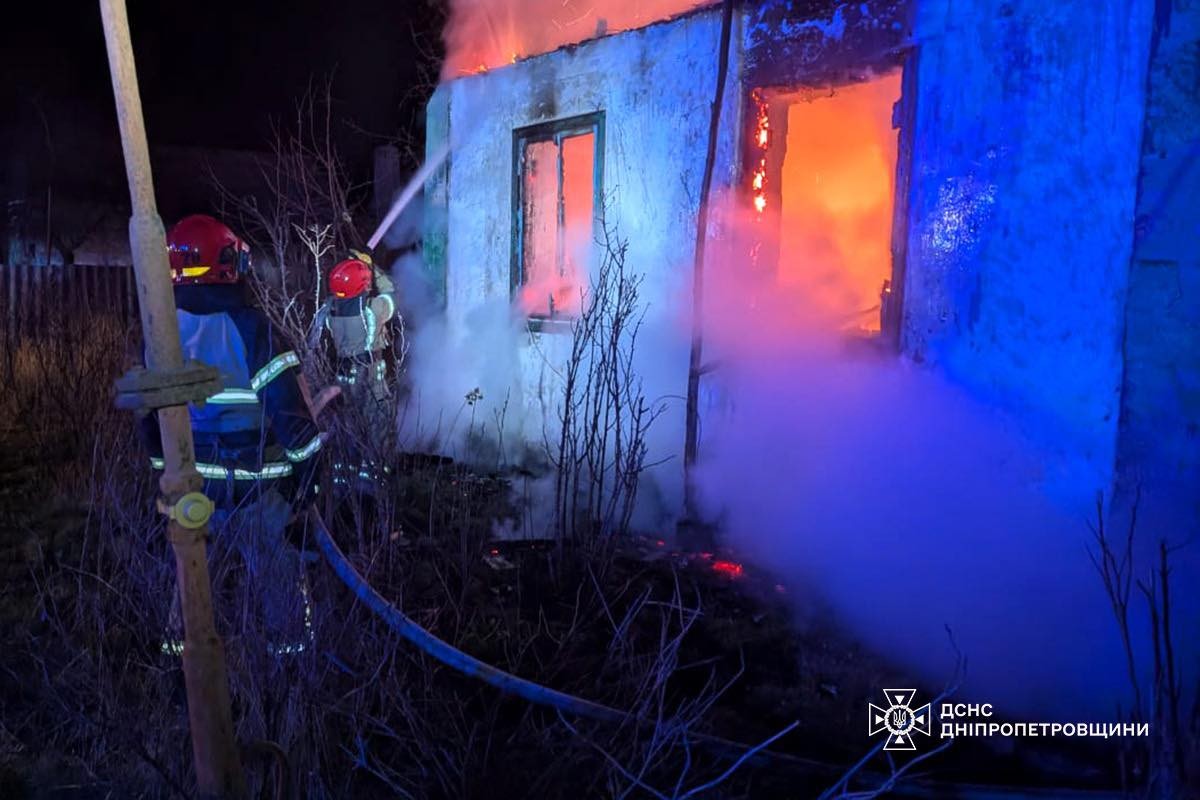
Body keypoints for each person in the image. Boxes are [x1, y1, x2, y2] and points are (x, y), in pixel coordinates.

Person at [139, 213, 322, 651]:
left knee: (189, 593)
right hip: (256, 498)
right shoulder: (252, 329)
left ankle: (178, 675)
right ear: (229, 265)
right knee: (283, 598)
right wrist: (309, 486)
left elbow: (148, 424)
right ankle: (289, 678)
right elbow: (293, 422)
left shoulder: (159, 335)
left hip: (191, 496)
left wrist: (169, 481)